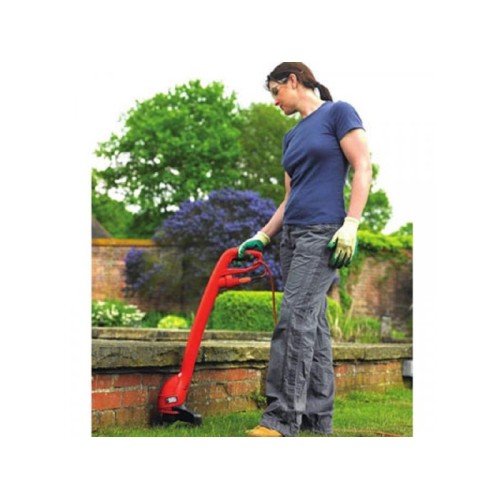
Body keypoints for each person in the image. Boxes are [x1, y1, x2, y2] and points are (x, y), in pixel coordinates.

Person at [238, 62, 372, 437]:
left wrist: (352, 223)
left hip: (322, 232)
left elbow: (362, 166)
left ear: (294, 81)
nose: (274, 101)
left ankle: (281, 419)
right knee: (313, 324)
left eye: (275, 91)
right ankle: (316, 419)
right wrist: (264, 235)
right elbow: (289, 197)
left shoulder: (338, 113)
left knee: (294, 318)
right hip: (292, 237)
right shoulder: (291, 137)